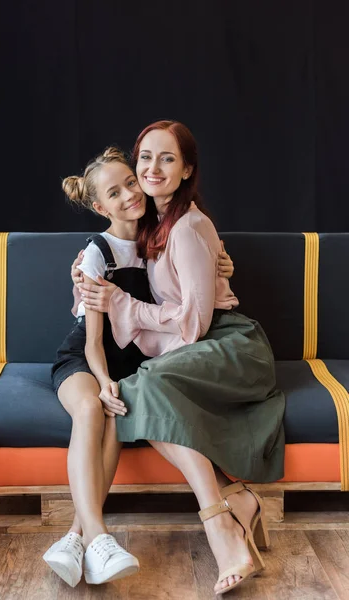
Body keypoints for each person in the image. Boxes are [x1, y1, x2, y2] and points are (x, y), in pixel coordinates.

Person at [79, 120, 286, 596]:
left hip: (231, 346)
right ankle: (236, 502)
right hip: (202, 346)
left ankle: (220, 524)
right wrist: (85, 272)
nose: (152, 168)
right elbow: (113, 251)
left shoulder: (190, 225)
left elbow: (193, 325)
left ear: (186, 168)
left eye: (167, 158)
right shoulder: (154, 222)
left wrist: (120, 304)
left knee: (138, 389)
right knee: (134, 393)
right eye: (145, 157)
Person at [43, 145, 236, 589]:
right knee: (93, 409)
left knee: (113, 418)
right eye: (116, 192)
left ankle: (74, 538)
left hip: (134, 364)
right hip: (86, 360)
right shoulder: (98, 253)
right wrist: (105, 380)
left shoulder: (165, 235)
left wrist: (223, 262)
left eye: (131, 182)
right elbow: (93, 341)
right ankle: (98, 535)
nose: (131, 193)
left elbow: (203, 267)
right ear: (99, 206)